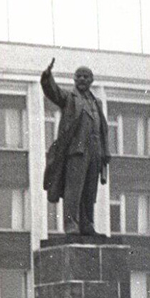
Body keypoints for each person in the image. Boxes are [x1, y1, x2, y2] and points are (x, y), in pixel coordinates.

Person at [41, 59, 110, 235]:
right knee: (74, 189)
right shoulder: (69, 98)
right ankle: (71, 224)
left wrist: (105, 150)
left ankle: (87, 224)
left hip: (95, 151)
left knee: (89, 190)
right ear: (74, 79)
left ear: (91, 80)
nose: (82, 79)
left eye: (85, 76)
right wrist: (47, 77)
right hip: (77, 151)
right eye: (79, 76)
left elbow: (102, 128)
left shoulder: (97, 102)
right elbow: (53, 92)